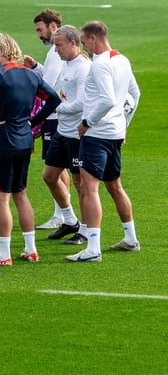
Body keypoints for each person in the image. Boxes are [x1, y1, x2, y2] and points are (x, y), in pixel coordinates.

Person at [0, 33, 60, 266]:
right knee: (21, 194)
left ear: (2, 51)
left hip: (2, 141)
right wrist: (32, 121)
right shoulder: (31, 75)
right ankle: (31, 249)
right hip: (25, 141)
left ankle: (4, 253)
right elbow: (54, 99)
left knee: (1, 198)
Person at [68, 21, 141, 262]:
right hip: (115, 134)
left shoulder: (99, 65)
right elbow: (135, 94)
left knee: (89, 189)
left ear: (93, 38)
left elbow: (108, 99)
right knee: (115, 186)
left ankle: (93, 249)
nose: (83, 48)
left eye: (83, 42)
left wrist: (86, 123)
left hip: (97, 135)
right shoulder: (122, 60)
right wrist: (124, 125)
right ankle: (130, 239)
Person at [41, 25, 90, 245]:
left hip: (76, 135)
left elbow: (82, 103)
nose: (56, 50)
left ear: (73, 43)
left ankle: (86, 232)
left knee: (81, 184)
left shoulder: (83, 68)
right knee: (49, 176)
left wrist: (56, 108)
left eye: (59, 45)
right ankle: (70, 220)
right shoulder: (65, 63)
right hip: (62, 131)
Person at [21, 9, 69, 230]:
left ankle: (63, 214)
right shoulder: (54, 52)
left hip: (55, 116)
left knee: (55, 168)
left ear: (53, 26)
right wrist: (35, 68)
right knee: (60, 168)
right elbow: (50, 79)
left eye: (40, 30)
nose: (39, 35)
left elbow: (47, 85)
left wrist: (25, 77)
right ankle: (63, 213)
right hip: (57, 115)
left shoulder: (55, 52)